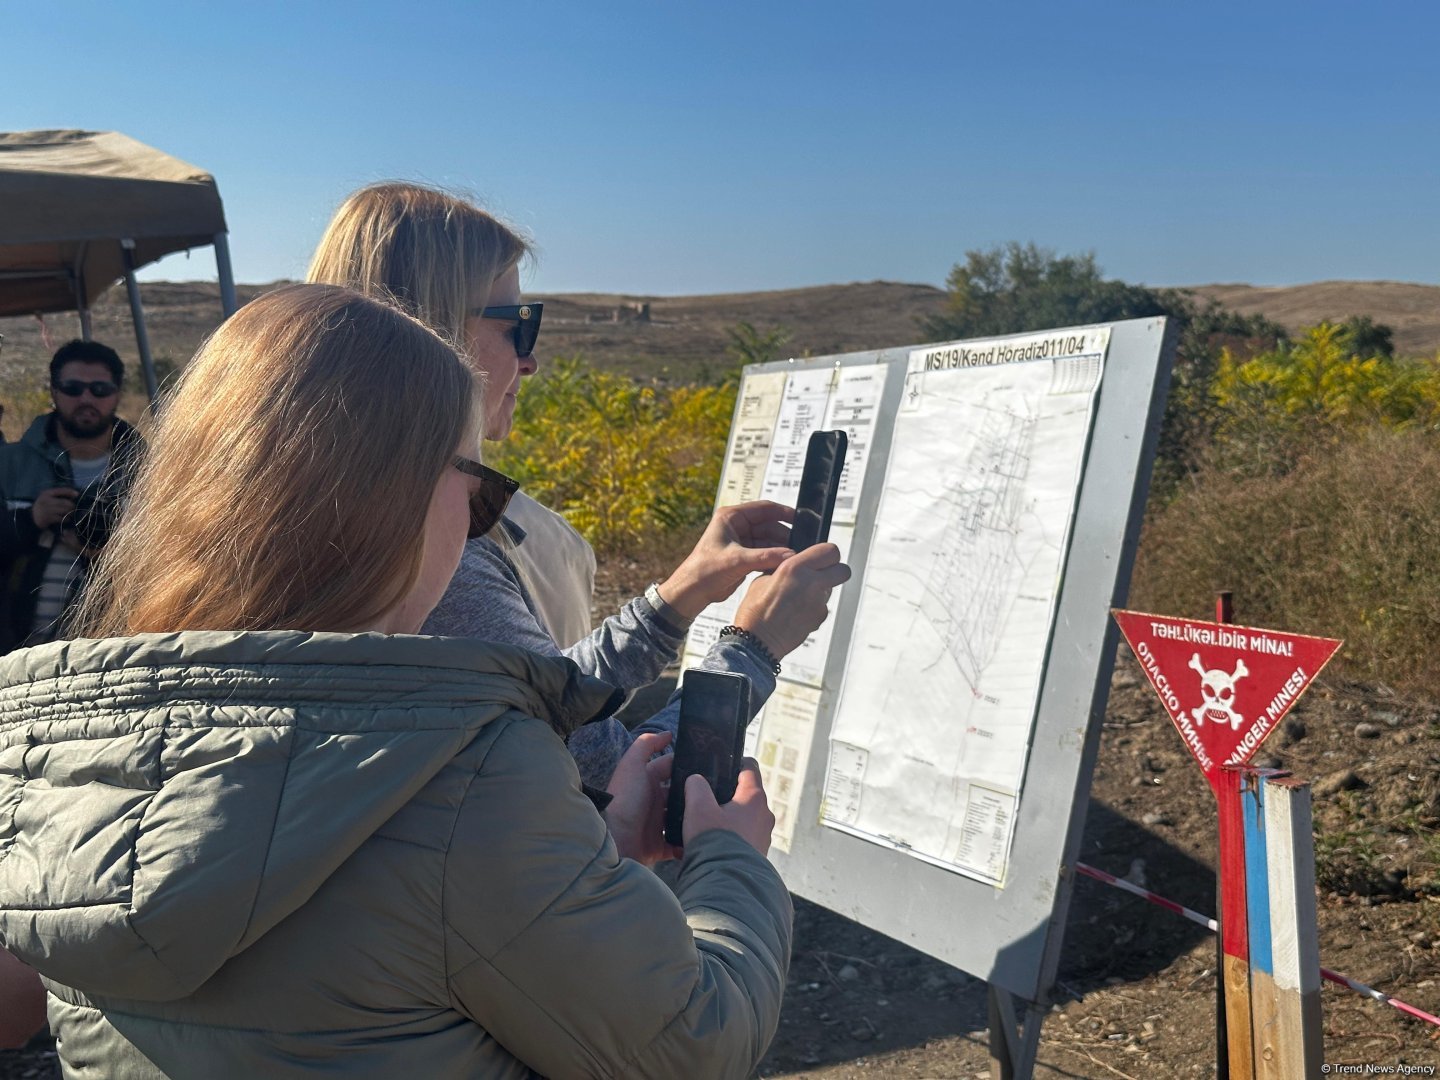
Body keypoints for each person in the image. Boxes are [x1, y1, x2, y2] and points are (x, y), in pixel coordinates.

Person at [0, 284, 801, 1078]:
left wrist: (600, 857)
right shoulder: (464, 776)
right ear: (390, 499)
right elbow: (697, 1042)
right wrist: (730, 861)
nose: (480, 521)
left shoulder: (50, 753)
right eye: (479, 488)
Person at [307, 182, 845, 789]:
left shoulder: (328, 499)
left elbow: (546, 695)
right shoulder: (429, 545)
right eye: (517, 324)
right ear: (433, 330)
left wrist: (681, 593)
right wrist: (753, 646)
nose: (531, 360)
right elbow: (613, 780)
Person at [0, 338, 142, 653]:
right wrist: (29, 520)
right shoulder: (9, 466)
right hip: (16, 656)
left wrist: (108, 554)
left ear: (117, 394)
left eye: (100, 390)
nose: (86, 399)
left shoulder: (150, 472)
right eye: (73, 388)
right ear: (53, 391)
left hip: (113, 652)